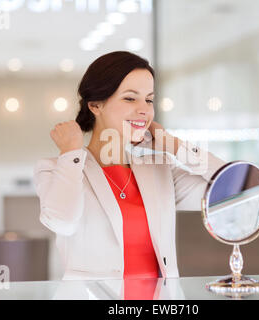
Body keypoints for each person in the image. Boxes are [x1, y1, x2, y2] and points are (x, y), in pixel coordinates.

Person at [33, 51, 227, 291]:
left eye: (149, 99)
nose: (144, 110)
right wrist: (71, 153)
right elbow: (63, 222)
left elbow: (230, 189)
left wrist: (174, 145)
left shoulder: (159, 170)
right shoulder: (58, 169)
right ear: (95, 105)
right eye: (130, 99)